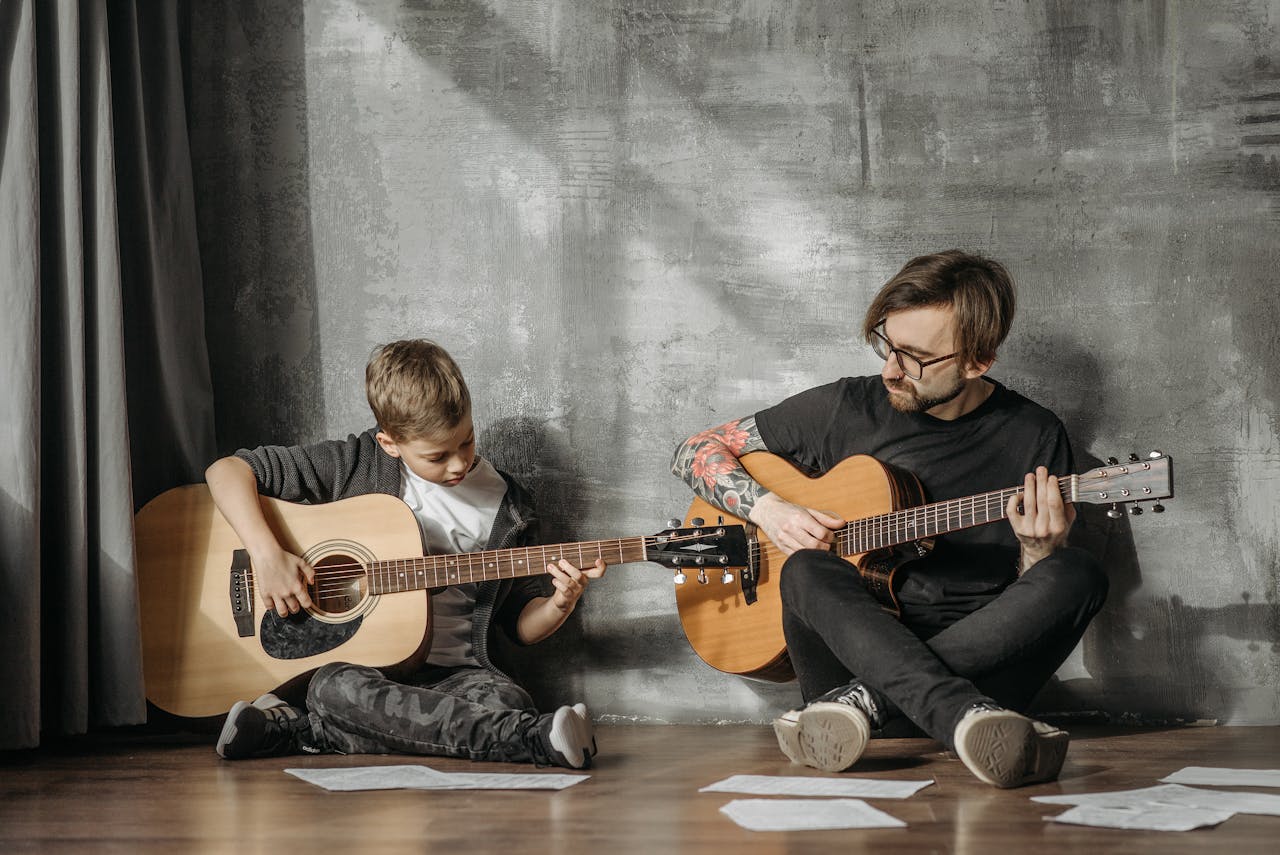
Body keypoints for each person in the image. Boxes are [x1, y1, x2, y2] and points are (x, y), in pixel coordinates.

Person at [670, 250, 1107, 788]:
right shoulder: (847, 406)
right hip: (850, 657)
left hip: (977, 672)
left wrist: (1040, 552)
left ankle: (872, 703)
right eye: (888, 345)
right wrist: (770, 509)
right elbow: (693, 450)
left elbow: (1030, 603)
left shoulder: (1034, 434)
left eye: (916, 358)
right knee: (805, 568)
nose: (890, 371)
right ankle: (951, 714)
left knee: (1077, 574)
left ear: (977, 362)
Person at [206, 339, 606, 768]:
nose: (457, 465)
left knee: (508, 697)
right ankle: (533, 740)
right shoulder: (355, 463)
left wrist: (559, 603)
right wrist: (267, 556)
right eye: (437, 456)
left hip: (458, 678)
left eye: (467, 441)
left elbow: (520, 627)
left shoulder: (510, 508)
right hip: (365, 674)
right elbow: (226, 471)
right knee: (333, 687)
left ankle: (302, 732)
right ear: (390, 443)